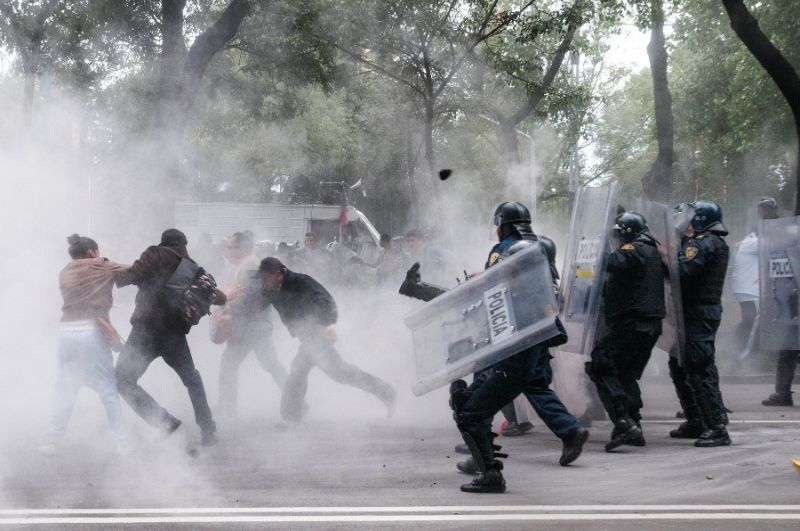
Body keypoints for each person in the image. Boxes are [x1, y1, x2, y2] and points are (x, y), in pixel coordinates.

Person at [408, 202, 588, 493]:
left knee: (473, 403)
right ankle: (566, 431)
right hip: (536, 334)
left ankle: (485, 462)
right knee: (533, 386)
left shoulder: (506, 249)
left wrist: (432, 291)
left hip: (510, 340)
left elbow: (489, 290)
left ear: (502, 224)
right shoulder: (541, 247)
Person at [115, 229, 226, 446]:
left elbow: (130, 276)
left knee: (123, 379)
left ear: (163, 242)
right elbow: (216, 296)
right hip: (174, 334)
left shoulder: (155, 253)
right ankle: (208, 430)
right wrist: (223, 296)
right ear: (183, 244)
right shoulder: (191, 266)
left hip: (145, 332)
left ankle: (164, 422)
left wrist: (108, 271)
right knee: (192, 379)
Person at [257, 257, 396, 425]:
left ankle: (291, 417)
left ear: (278, 275)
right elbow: (257, 303)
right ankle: (386, 392)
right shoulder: (272, 289)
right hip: (307, 336)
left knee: (299, 371)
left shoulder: (301, 282)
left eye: (265, 278)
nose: (263, 282)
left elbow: (325, 300)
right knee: (338, 372)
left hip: (317, 332)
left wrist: (329, 324)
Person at [40, 234, 130, 455]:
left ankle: (52, 440)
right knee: (107, 387)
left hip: (66, 332)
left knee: (65, 387)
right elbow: (133, 270)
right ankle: (121, 443)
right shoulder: (100, 264)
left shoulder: (65, 270)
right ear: (91, 252)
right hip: (91, 331)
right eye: (97, 251)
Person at [585, 212, 665, 451]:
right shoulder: (651, 249)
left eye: (618, 234)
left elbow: (611, 262)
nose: (616, 240)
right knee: (624, 374)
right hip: (648, 325)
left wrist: (595, 247)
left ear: (626, 232)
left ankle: (623, 421)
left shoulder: (634, 249)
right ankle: (634, 426)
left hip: (632, 323)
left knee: (600, 364)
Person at [669, 200, 731, 447]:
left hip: (699, 314)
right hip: (693, 314)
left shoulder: (704, 243)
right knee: (679, 366)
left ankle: (716, 427)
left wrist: (668, 253)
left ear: (700, 219)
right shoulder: (706, 242)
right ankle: (696, 419)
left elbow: (683, 271)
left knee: (700, 369)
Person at [217, 231, 287, 418]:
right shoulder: (241, 265)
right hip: (250, 328)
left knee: (229, 366)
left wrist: (231, 313)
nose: (228, 250)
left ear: (244, 248)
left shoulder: (251, 266)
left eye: (232, 247)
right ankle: (297, 400)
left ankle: (227, 411)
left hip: (251, 329)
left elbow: (254, 298)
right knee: (271, 364)